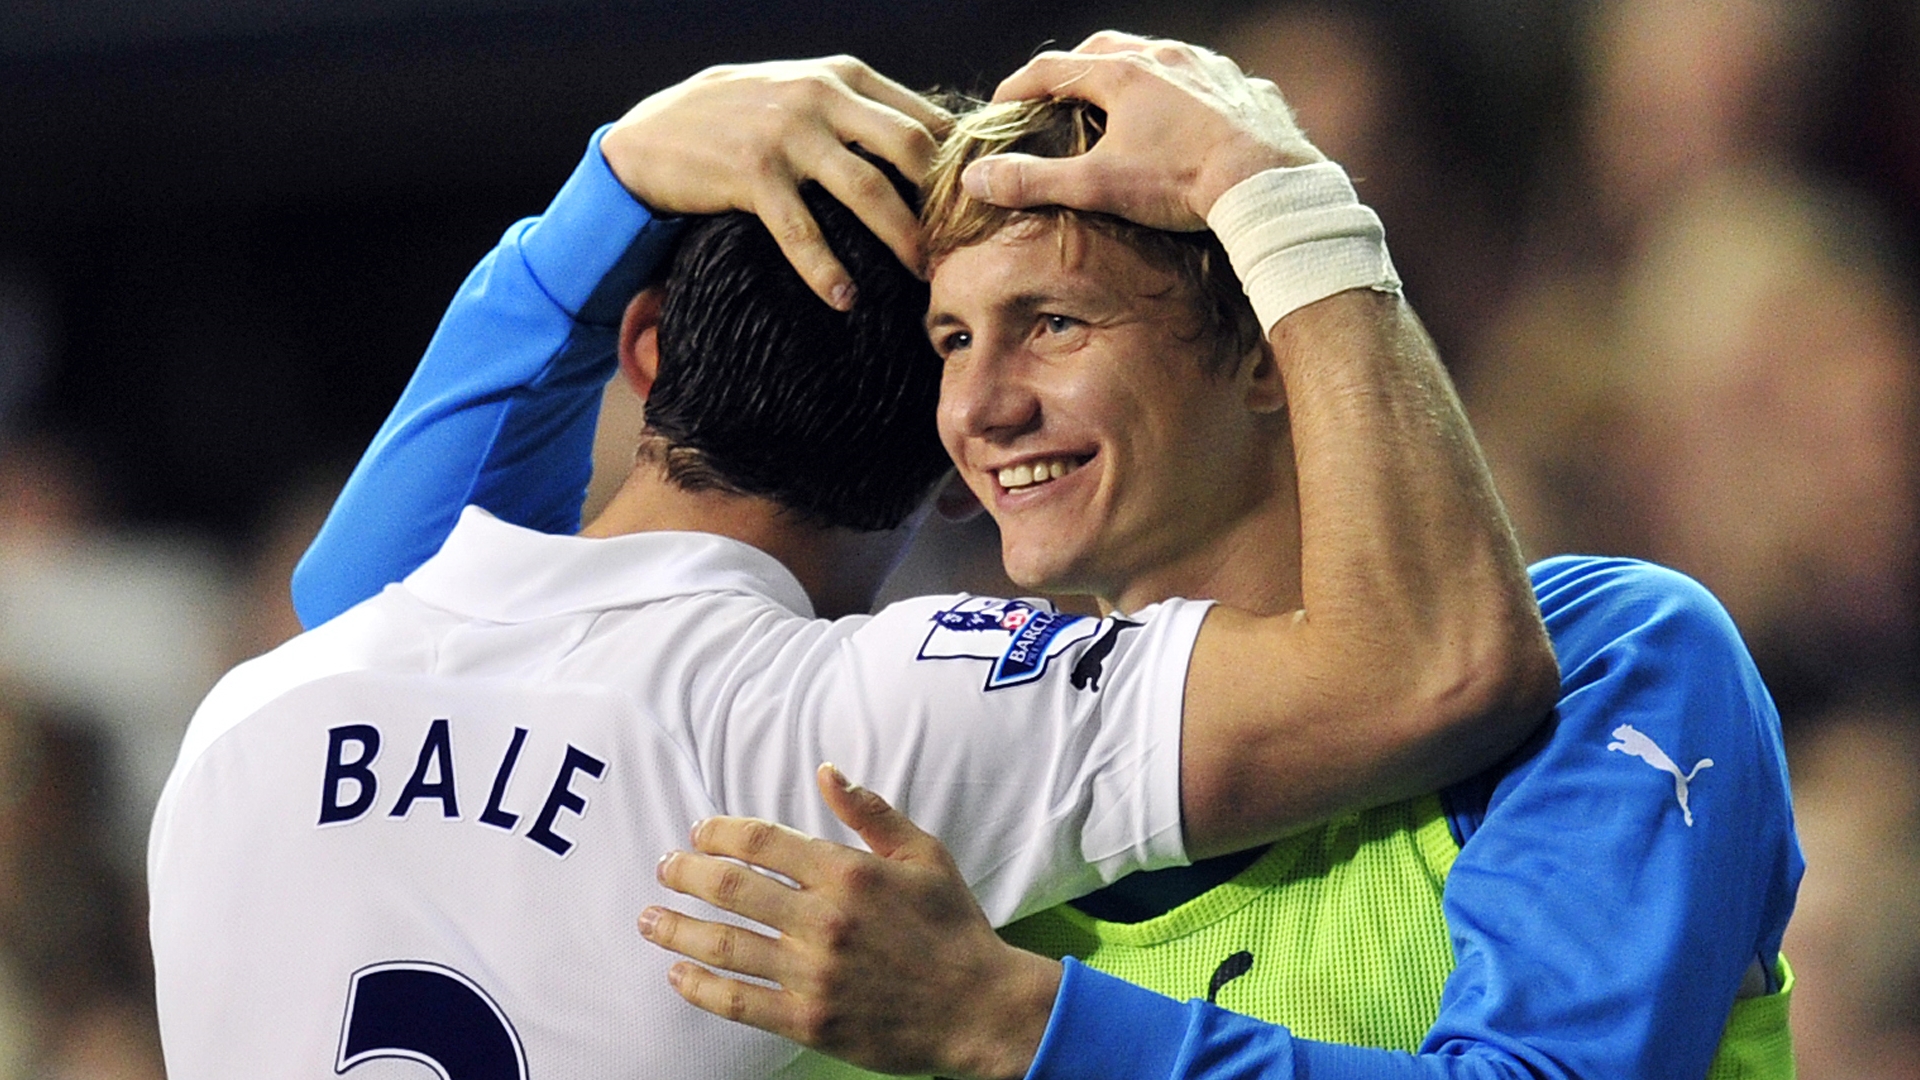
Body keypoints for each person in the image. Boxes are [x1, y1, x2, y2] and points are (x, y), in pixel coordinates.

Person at [150, 55, 1554, 1078]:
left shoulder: (245, 726)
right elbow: (1433, 664)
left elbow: (382, 597)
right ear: (955, 463)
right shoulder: (854, 727)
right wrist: (1285, 203)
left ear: (642, 354)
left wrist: (610, 184)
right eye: (959, 342)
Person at [633, 37, 1801, 1080]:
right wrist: (601, 193)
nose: (978, 407)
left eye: (1053, 324)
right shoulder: (924, 796)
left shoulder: (1612, 659)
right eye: (951, 341)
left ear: (1258, 353)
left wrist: (1013, 1026)